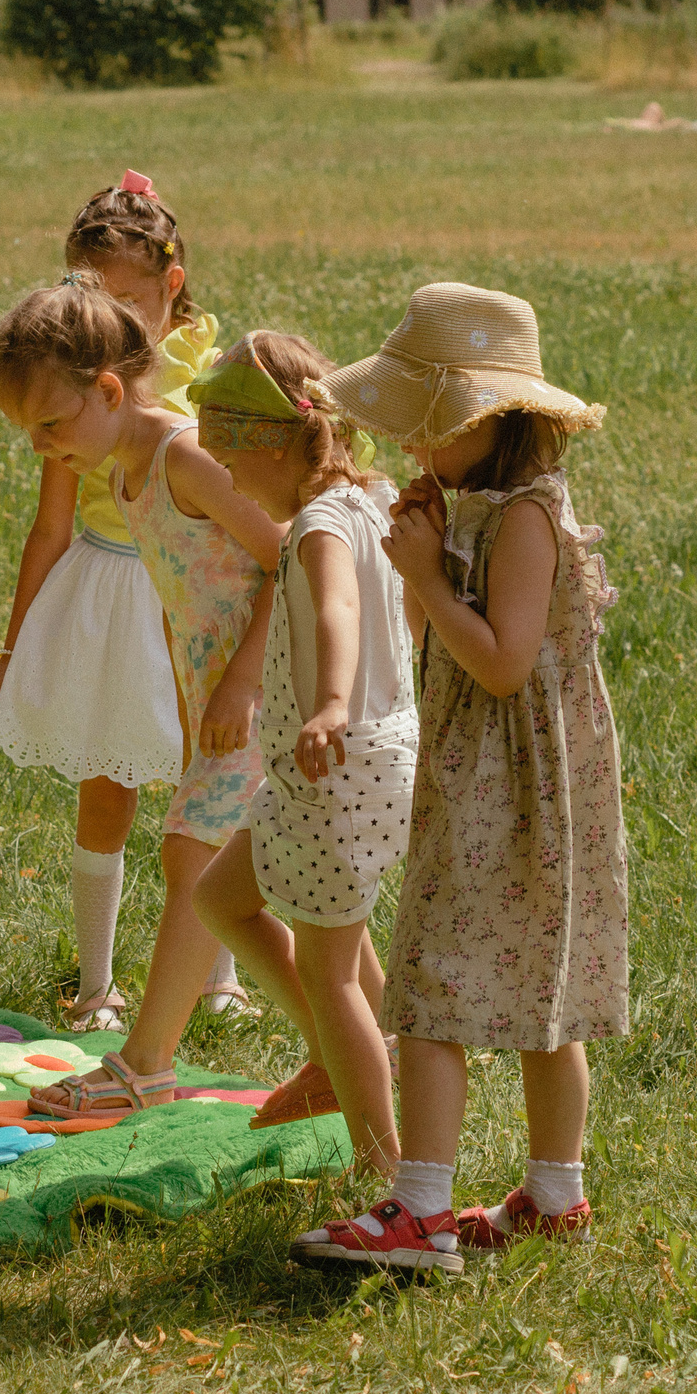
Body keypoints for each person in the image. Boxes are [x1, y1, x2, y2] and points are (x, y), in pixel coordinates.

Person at [291, 283, 626, 1275]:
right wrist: (429, 554)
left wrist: (427, 577)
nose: (407, 449)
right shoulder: (482, 507)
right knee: (531, 989)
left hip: (509, 790)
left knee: (435, 990)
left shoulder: (524, 521)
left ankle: (419, 1211)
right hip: (493, 779)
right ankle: (552, 1197)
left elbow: (503, 662)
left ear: (477, 423)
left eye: (421, 428)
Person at [0, 278, 283, 1123]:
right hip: (223, 698)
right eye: (28, 433)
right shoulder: (121, 473)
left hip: (272, 690)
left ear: (109, 390)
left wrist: (244, 679)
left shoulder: (181, 456)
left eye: (51, 424)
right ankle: (366, 1037)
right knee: (288, 886)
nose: (42, 447)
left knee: (195, 858)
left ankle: (146, 1063)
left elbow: (293, 555)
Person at [0, 171, 242, 1032]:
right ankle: (96, 982)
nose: (112, 325)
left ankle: (219, 973)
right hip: (110, 596)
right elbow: (48, 530)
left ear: (171, 285)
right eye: (93, 299)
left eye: (130, 302)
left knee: (216, 782)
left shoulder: (209, 371)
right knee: (109, 785)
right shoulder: (68, 395)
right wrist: (9, 660)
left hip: (191, 595)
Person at [186, 333, 417, 1173]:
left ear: (277, 442)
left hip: (334, 768)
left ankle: (387, 1165)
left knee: (331, 969)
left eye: (228, 460)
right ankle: (356, 1057)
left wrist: (329, 704)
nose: (224, 480)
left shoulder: (319, 526)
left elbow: (340, 618)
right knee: (222, 896)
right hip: (340, 765)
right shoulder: (371, 499)